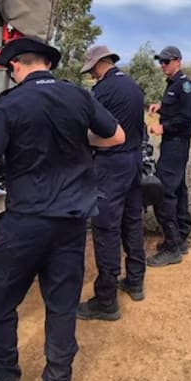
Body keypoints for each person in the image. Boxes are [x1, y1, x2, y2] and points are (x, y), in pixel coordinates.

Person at [0, 36, 124, 381]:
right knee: (62, 307)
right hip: (71, 226)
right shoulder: (79, 96)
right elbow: (117, 137)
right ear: (47, 64)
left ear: (16, 66)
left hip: (25, 226)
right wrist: (83, 141)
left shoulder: (10, 105)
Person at [76, 45, 147, 321]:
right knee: (132, 220)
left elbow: (91, 128)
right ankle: (135, 280)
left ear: (97, 66)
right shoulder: (133, 86)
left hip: (110, 165)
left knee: (106, 228)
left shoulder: (102, 92)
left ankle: (106, 300)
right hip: (133, 161)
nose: (92, 76)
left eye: (91, 70)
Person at [146, 45, 191, 267]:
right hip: (173, 145)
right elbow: (175, 108)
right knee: (178, 189)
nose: (163, 65)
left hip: (176, 144)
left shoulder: (185, 85)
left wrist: (163, 128)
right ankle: (182, 235)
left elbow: (188, 118)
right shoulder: (173, 84)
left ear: (178, 61)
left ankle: (173, 246)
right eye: (161, 62)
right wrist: (161, 107)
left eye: (166, 61)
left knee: (164, 191)